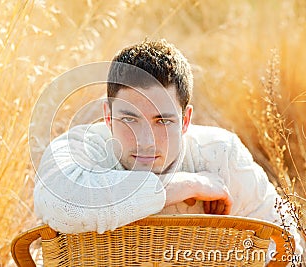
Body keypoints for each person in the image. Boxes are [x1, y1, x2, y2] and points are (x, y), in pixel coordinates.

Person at [33, 39, 302, 256]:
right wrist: (184, 186)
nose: (146, 141)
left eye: (162, 121)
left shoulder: (221, 155)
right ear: (107, 115)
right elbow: (60, 205)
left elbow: (288, 244)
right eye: (129, 119)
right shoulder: (81, 147)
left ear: (185, 120)